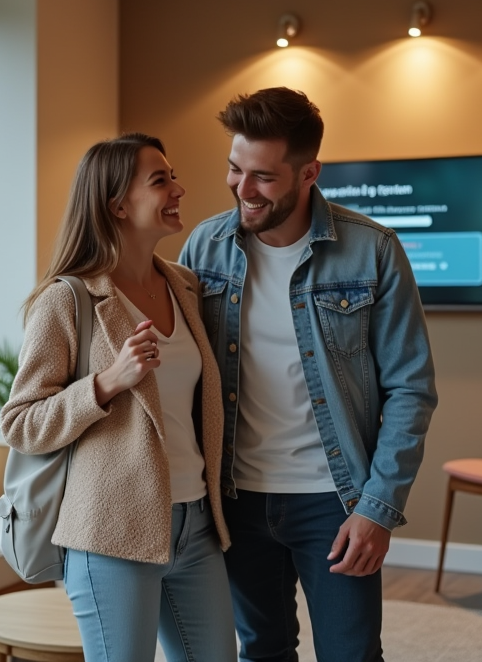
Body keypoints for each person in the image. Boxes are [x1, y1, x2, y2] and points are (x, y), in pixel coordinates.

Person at [178, 87, 438, 662]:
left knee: (351, 653)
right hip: (235, 498)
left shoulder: (373, 251)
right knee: (262, 651)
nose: (243, 190)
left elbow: (411, 389)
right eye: (234, 168)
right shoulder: (204, 247)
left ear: (309, 173)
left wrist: (377, 508)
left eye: (264, 178)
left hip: (335, 502)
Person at [0, 133, 237, 662]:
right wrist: (107, 382)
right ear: (117, 204)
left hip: (196, 523)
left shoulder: (184, 285)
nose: (179, 188)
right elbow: (20, 422)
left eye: (173, 176)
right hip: (112, 535)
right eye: (161, 180)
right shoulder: (67, 299)